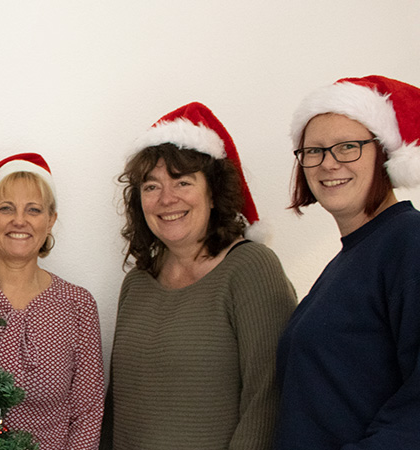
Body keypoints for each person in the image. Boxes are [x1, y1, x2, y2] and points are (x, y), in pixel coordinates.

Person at [273, 76, 420, 449]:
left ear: (384, 154)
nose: (328, 163)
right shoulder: (348, 260)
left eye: (348, 147)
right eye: (314, 151)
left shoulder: (418, 243)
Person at [104, 103, 296, 450]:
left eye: (182, 182)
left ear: (213, 194)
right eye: (151, 186)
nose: (167, 199)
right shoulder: (137, 282)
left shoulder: (251, 268)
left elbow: (268, 398)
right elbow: (118, 407)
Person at [0, 153, 105, 450]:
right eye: (6, 208)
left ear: (50, 220)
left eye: (33, 210)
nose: (19, 220)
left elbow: (88, 411)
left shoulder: (78, 304)